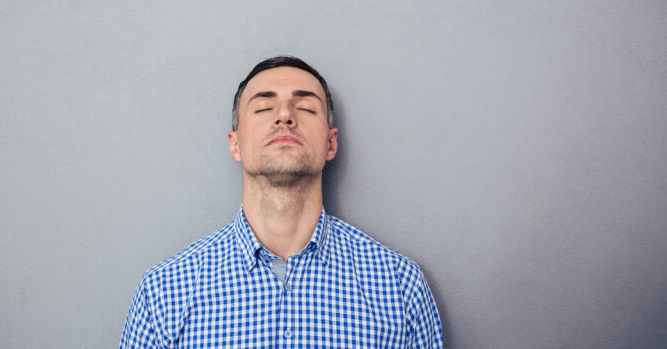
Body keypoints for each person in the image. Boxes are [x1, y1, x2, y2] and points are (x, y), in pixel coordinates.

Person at [120, 56, 444, 348]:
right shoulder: (164, 293)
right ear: (235, 145)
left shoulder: (400, 287)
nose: (285, 116)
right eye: (263, 108)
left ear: (331, 143)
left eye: (305, 107)